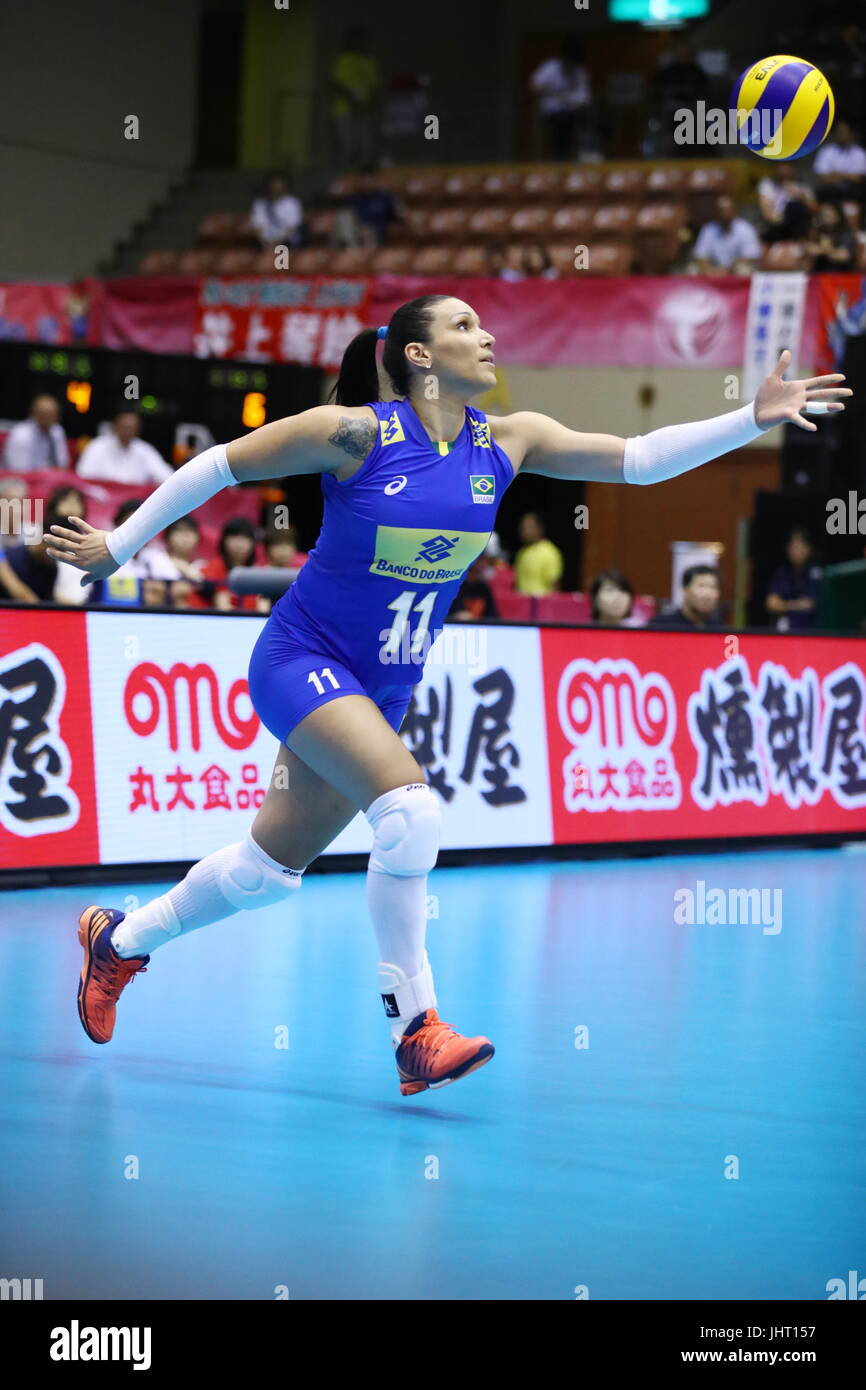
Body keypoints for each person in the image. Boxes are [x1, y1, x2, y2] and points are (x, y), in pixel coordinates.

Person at [46, 297, 851, 1097]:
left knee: (266, 872)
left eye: (482, 323)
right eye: (464, 327)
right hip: (303, 659)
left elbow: (639, 457)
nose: (487, 335)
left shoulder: (507, 441)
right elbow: (219, 463)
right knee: (412, 812)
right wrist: (118, 546)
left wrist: (751, 418)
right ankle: (415, 1030)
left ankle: (119, 940)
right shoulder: (355, 434)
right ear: (418, 356)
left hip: (385, 685)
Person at [530, 35, 593, 161]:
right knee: (563, 120)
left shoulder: (579, 72)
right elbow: (534, 85)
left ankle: (588, 153)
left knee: (588, 115)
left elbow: (585, 97)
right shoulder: (551, 67)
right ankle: (559, 157)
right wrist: (551, 92)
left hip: (574, 111)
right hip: (552, 112)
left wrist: (573, 102)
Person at [76, 409, 173, 486]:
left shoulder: (145, 450)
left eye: (131, 428)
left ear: (138, 430)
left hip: (133, 504)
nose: (128, 432)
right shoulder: (97, 446)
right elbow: (83, 476)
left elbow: (167, 478)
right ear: (115, 426)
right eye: (125, 427)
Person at [329, 27, 382, 169]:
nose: (360, 43)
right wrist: (354, 103)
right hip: (345, 110)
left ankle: (364, 175)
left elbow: (375, 87)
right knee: (347, 146)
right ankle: (347, 175)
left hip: (365, 111)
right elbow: (337, 85)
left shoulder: (369, 62)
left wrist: (369, 106)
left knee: (366, 146)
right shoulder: (344, 60)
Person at [765, 526, 822, 631]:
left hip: (810, 632)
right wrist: (797, 605)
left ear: (808, 548)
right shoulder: (782, 573)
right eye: (792, 546)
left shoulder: (815, 572)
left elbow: (812, 604)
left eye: (799, 546)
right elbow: (771, 603)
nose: (795, 551)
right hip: (783, 630)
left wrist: (784, 605)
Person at [691, 196, 762, 274]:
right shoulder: (708, 229)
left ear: (735, 211)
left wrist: (727, 270)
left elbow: (750, 257)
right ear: (716, 213)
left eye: (728, 211)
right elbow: (701, 256)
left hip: (735, 269)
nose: (725, 214)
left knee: (744, 269)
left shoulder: (746, 229)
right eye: (721, 211)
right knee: (693, 269)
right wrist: (710, 270)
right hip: (714, 270)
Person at [2, 394, 70, 472]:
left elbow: (63, 464)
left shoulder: (57, 430)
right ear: (33, 413)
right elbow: (19, 470)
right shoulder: (20, 434)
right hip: (21, 479)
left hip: (52, 479)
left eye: (51, 414)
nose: (47, 417)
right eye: (43, 413)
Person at [647, 565, 723, 630]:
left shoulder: (720, 629)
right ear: (685, 590)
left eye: (713, 587)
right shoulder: (661, 626)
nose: (707, 594)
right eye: (701, 586)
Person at [757, 164, 817, 243]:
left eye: (788, 165)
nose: (785, 168)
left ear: (794, 168)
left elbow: (815, 209)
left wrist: (801, 196)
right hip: (776, 226)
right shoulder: (768, 184)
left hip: (798, 227)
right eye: (782, 165)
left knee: (794, 206)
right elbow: (767, 211)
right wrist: (782, 222)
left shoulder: (803, 186)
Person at [813, 120, 866, 202]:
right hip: (831, 192)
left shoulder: (859, 152)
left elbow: (860, 178)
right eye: (839, 132)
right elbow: (822, 176)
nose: (842, 135)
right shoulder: (826, 151)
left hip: (853, 193)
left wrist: (836, 175)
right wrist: (848, 176)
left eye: (845, 132)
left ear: (851, 134)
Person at [514, 511, 563, 596]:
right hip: (522, 604)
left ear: (540, 528)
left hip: (541, 606)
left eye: (529, 527)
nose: (525, 531)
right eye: (523, 527)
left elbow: (555, 585)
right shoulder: (521, 553)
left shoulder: (550, 552)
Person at [250, 174, 304, 249]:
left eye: (278, 185)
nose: (275, 188)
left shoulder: (292, 203)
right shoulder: (260, 204)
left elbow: (292, 228)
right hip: (264, 244)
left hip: (288, 243)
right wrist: (265, 243)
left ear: (284, 186)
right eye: (273, 185)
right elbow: (258, 227)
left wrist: (277, 243)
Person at [806, 201, 856, 271]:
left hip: (842, 273)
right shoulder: (817, 231)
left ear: (838, 216)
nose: (826, 218)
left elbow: (844, 256)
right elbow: (811, 250)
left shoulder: (846, 232)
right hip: (820, 273)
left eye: (830, 215)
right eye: (824, 215)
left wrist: (826, 249)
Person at [448, 556, 499, 620]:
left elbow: (493, 615)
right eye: (479, 561)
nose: (482, 565)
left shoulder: (484, 588)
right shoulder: (455, 587)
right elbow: (449, 612)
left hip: (479, 627)